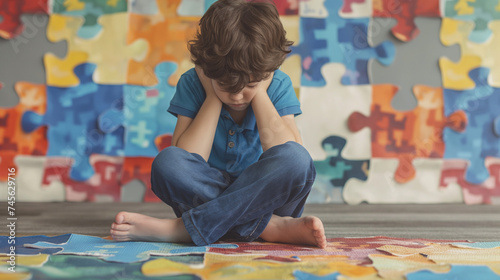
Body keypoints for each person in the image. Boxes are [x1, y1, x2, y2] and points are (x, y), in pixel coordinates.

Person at [110, 0, 327, 249]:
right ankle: (271, 227)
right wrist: (212, 94)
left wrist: (261, 93)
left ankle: (181, 230)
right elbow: (188, 156)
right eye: (224, 85)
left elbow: (288, 154)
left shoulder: (277, 84)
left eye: (250, 85)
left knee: (297, 159)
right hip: (203, 192)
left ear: (269, 71)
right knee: (167, 162)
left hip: (267, 196)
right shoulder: (193, 83)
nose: (236, 95)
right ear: (207, 69)